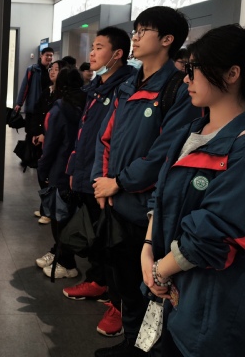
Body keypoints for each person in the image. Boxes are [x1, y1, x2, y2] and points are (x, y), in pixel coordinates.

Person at [142, 24, 245, 357]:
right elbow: (162, 196)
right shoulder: (192, 132)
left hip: (214, 311)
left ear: (232, 74)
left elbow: (216, 234)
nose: (187, 79)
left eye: (194, 69)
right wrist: (148, 249)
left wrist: (158, 271)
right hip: (177, 297)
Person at [91, 6, 202, 357]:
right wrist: (102, 181)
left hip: (145, 211)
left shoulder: (177, 89)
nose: (135, 37)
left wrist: (119, 182)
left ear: (167, 40)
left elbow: (164, 155)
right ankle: (131, 344)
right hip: (116, 201)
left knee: (147, 289)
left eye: (143, 31)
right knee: (123, 283)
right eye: (135, 30)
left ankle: (141, 350)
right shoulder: (128, 83)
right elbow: (106, 137)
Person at [62, 27, 135, 338]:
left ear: (118, 54)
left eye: (99, 47)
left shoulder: (126, 88)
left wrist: (107, 179)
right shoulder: (96, 87)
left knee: (114, 243)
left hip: (109, 180)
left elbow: (115, 142)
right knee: (97, 236)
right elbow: (86, 136)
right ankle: (98, 281)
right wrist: (75, 170)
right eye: (92, 46)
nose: (91, 53)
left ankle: (119, 304)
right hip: (90, 175)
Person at [35, 67, 85, 276]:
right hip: (78, 170)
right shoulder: (88, 104)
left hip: (59, 170)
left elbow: (50, 147)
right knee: (69, 216)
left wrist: (42, 172)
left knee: (59, 218)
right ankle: (59, 253)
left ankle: (67, 264)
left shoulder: (59, 109)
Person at [32, 59, 68, 224]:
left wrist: (46, 135)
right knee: (42, 173)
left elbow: (57, 122)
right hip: (42, 138)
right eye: (51, 69)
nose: (52, 72)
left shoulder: (64, 95)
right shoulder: (47, 90)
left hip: (53, 141)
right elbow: (38, 112)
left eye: (56, 69)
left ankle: (48, 211)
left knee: (50, 176)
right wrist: (36, 132)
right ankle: (44, 208)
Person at [15, 47, 54, 169]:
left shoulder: (52, 71)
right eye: (47, 55)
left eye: (51, 55)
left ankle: (37, 158)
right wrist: (19, 103)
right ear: (41, 56)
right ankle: (27, 158)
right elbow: (25, 87)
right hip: (33, 108)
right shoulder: (32, 70)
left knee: (41, 133)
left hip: (45, 109)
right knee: (30, 133)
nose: (49, 57)